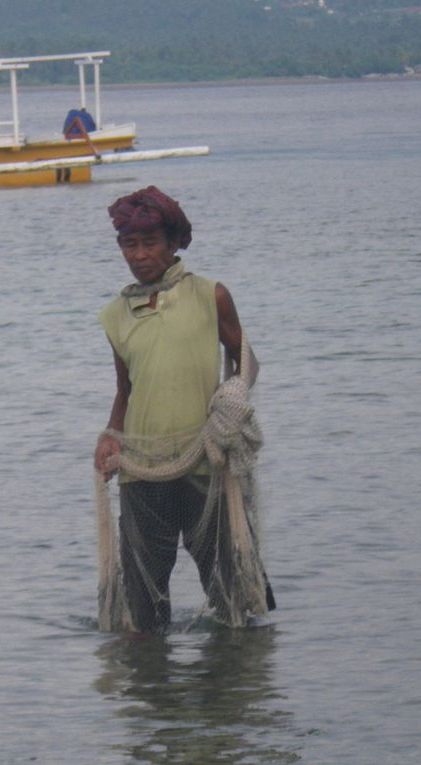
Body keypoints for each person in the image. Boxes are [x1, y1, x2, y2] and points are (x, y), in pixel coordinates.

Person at [93, 185, 268, 633]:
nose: (140, 255)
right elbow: (125, 388)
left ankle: (234, 689)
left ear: (172, 246)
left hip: (204, 465)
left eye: (150, 243)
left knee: (231, 597)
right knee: (143, 607)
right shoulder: (115, 315)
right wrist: (111, 434)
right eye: (130, 245)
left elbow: (245, 359)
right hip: (143, 470)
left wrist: (234, 394)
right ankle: (153, 693)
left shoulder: (211, 295)